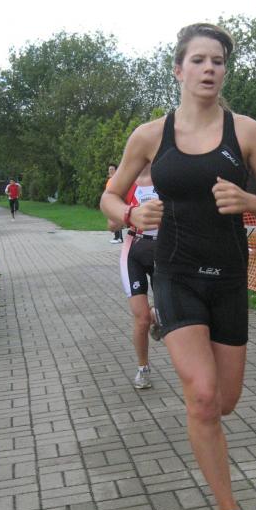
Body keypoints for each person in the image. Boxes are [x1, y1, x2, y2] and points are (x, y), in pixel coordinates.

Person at [100, 23, 256, 510]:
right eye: (200, 60)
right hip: (174, 273)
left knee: (224, 402)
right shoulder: (149, 135)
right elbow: (110, 197)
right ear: (178, 70)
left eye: (218, 61)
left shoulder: (245, 132)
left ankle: (206, 414)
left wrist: (249, 202)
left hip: (228, 278)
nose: (210, 69)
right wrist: (130, 216)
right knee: (203, 399)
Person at [108, 164, 161, 390]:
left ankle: (157, 314)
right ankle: (143, 368)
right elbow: (112, 224)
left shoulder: (167, 177)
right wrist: (131, 213)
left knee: (167, 312)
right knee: (141, 318)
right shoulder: (126, 183)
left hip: (164, 251)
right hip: (134, 251)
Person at [106, 164, 123, 243]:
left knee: (116, 219)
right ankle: (117, 237)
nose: (110, 171)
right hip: (111, 201)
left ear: (116, 170)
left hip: (116, 201)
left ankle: (119, 238)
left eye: (112, 169)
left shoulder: (117, 179)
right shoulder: (110, 180)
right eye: (109, 169)